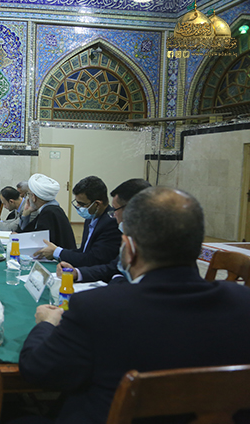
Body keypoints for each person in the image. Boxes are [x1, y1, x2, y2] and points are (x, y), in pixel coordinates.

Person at [19, 187, 250, 424]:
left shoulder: (97, 308)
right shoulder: (244, 303)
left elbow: (38, 371)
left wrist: (46, 325)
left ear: (129, 249)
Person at [57, 178, 151, 283]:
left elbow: (98, 262)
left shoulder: (112, 225)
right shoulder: (90, 219)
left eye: (115, 210)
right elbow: (114, 267)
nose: (114, 215)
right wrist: (77, 273)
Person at [35, 176, 120, 267]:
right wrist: (57, 251)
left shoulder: (112, 223)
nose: (78, 206)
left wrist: (57, 252)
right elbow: (83, 252)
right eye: (77, 202)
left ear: (97, 204)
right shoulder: (90, 219)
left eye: (82, 204)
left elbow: (93, 259)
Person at [17, 174, 76, 250]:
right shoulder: (51, 209)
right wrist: (26, 213)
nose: (28, 198)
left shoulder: (48, 213)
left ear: (34, 197)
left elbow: (36, 243)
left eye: (28, 194)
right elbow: (26, 232)